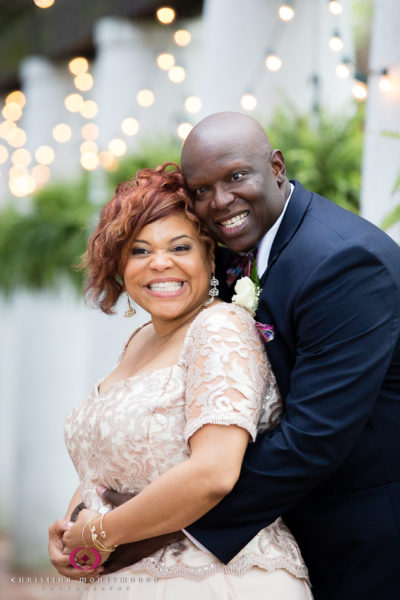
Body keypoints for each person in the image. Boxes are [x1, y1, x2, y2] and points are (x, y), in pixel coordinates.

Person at [76, 112, 400, 600]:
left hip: (363, 535)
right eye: (202, 189)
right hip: (279, 529)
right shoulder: (231, 250)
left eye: (236, 177)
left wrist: (155, 529)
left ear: (276, 166)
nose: (220, 201)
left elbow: (313, 439)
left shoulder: (343, 262)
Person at [49, 163, 312, 599]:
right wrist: (69, 531)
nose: (160, 264)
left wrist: (99, 533)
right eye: (139, 250)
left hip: (212, 579)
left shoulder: (219, 328)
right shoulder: (138, 340)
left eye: (180, 247)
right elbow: (107, 461)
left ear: (210, 257)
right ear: (118, 264)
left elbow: (213, 473)